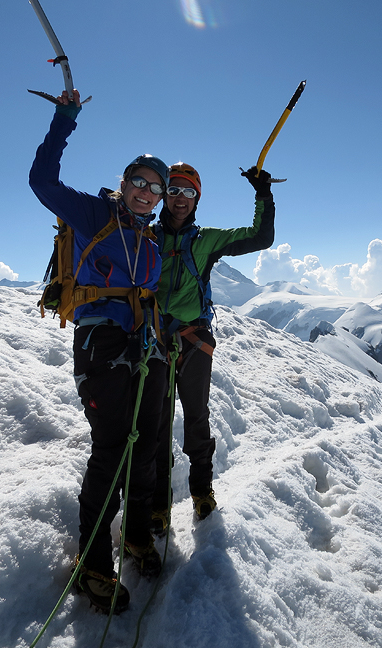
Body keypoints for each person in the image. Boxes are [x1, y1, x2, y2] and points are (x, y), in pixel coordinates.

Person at [29, 90, 169, 614]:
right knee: (112, 448)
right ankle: (92, 566)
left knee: (147, 442)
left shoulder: (149, 241)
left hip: (145, 346)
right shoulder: (93, 213)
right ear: (124, 182)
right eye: (139, 182)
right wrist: (64, 119)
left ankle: (135, 536)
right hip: (101, 345)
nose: (146, 192)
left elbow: (148, 296)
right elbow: (42, 182)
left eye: (154, 188)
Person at [150, 162, 276, 531]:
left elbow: (259, 237)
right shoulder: (146, 236)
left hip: (191, 339)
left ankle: (201, 491)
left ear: (197, 199)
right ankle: (159, 502)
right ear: (163, 195)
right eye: (174, 190)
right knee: (157, 423)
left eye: (189, 192)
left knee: (196, 417)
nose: (180, 199)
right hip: (154, 340)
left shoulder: (206, 240)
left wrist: (262, 194)